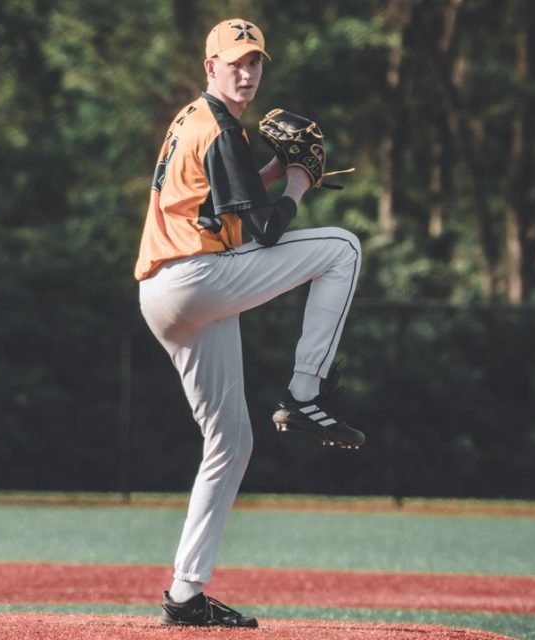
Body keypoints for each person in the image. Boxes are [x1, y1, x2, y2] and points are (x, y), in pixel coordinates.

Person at [134, 18, 366, 628]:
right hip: (195, 280)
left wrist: (269, 173)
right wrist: (299, 179)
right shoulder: (218, 127)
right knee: (342, 248)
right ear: (209, 65)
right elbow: (265, 229)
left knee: (231, 442)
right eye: (234, 61)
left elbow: (225, 202)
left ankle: (185, 595)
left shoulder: (197, 120)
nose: (246, 71)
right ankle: (304, 393)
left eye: (255, 61)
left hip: (166, 294)